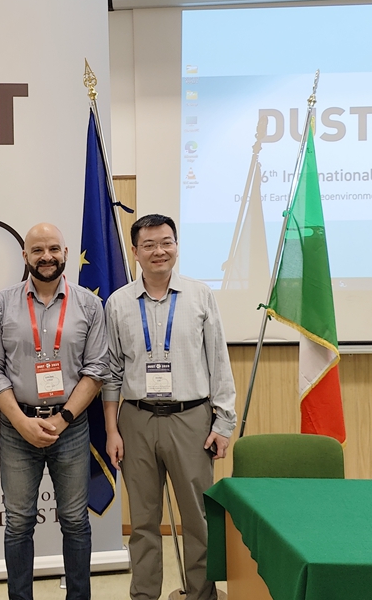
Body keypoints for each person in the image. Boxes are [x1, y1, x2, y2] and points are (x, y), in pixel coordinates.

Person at [102, 214, 237, 600]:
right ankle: (144, 595)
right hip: (136, 420)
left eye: (166, 242)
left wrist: (223, 423)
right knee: (143, 521)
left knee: (198, 519)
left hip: (191, 419)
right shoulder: (118, 303)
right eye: (149, 245)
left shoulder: (200, 295)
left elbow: (218, 361)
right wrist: (112, 430)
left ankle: (201, 594)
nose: (158, 251)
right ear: (135, 252)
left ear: (176, 246)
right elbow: (111, 372)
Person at [0, 222, 109, 600]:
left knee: (75, 520)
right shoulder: (1, 304)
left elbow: (96, 369)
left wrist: (62, 418)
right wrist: (22, 422)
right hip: (17, 428)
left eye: (53, 248)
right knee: (18, 523)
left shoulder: (89, 304)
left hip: (71, 426)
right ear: (25, 256)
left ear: (65, 253)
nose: (46, 256)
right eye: (37, 250)